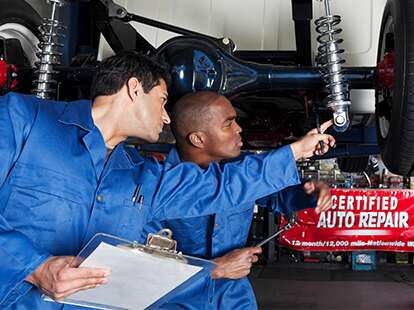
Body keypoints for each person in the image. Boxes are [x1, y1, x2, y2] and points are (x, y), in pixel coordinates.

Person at [0, 52, 334, 309]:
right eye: (161, 101)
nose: (164, 117)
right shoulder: (21, 120)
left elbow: (220, 186)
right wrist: (34, 267)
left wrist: (295, 151)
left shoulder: (141, 175)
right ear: (133, 89)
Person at [142, 91, 333, 309]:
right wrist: (215, 268)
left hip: (234, 298)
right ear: (198, 138)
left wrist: (306, 194)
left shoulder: (243, 171)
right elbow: (146, 268)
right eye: (228, 124)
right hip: (177, 301)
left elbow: (277, 196)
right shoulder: (157, 186)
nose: (239, 129)